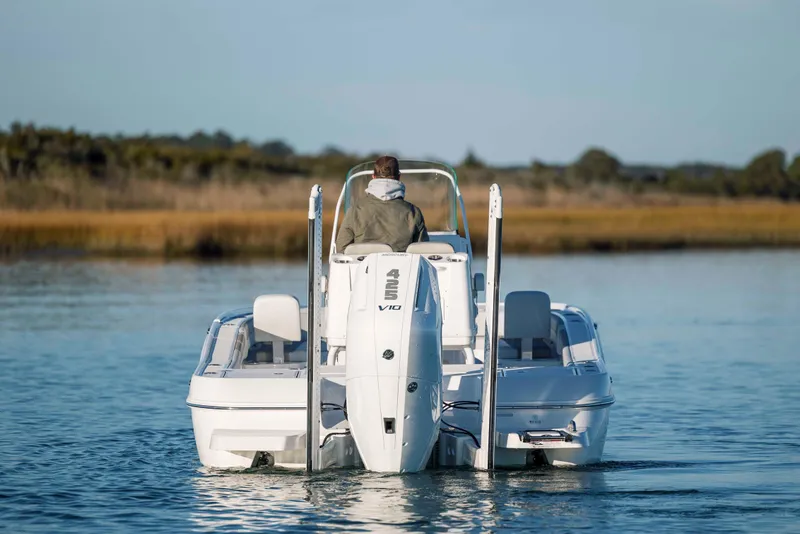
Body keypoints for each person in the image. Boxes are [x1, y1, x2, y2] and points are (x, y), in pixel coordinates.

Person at [335, 156, 429, 253]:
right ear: (399, 177)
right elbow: (421, 251)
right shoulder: (413, 212)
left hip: (363, 263)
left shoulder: (355, 210)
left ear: (373, 176)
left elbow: (342, 248)